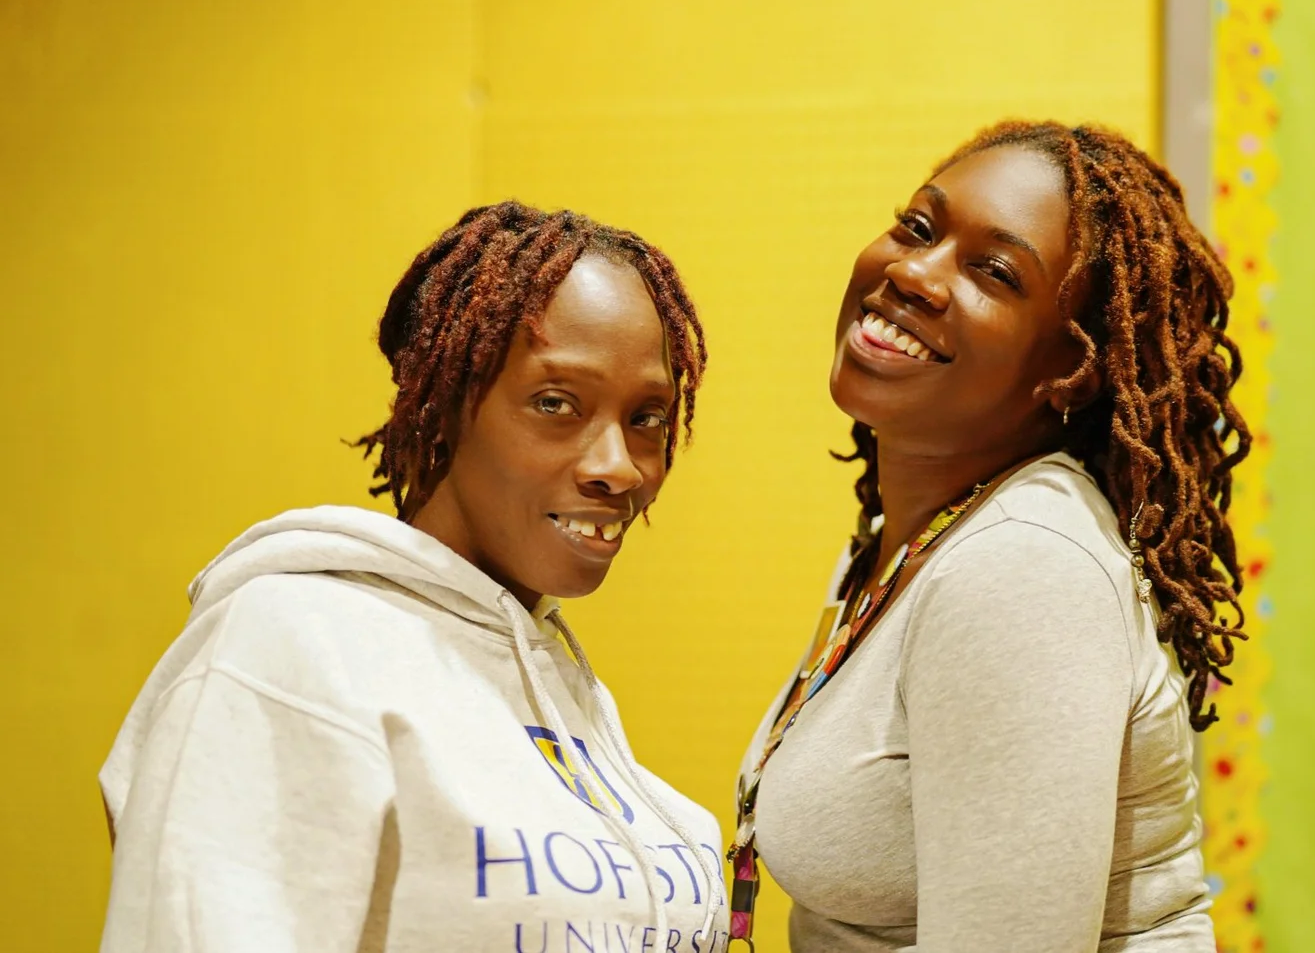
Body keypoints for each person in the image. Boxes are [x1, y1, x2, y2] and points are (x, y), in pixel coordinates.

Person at [100, 201, 727, 952]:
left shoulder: (568, 694)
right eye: (555, 404)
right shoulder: (289, 646)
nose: (617, 467)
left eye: (648, 418)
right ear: (439, 409)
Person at [733, 121, 1251, 952]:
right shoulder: (908, 542)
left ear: (1071, 370)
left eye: (995, 272)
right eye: (919, 227)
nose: (912, 272)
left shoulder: (1023, 569)